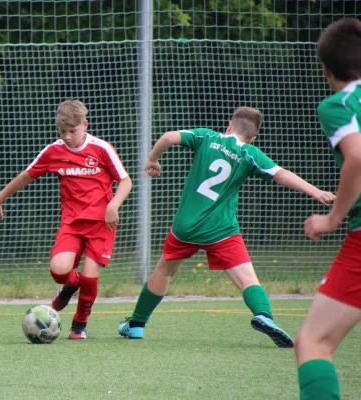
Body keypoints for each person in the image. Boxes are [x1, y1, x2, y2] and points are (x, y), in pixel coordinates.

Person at [117, 107, 334, 348]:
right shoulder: (249, 153)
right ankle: (263, 315)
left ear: (229, 125)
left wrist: (152, 160)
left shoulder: (206, 137)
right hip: (221, 230)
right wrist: (316, 191)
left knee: (165, 271)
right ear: (253, 137)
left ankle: (136, 325)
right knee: (247, 279)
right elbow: (281, 174)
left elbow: (168, 137)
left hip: (185, 227)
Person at [0, 99, 132, 340]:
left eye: (73, 131)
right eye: (62, 132)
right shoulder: (54, 151)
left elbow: (125, 181)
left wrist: (113, 205)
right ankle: (71, 285)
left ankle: (79, 325)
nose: (67, 137)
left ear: (85, 125)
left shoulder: (102, 149)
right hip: (72, 223)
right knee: (59, 270)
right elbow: (27, 175)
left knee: (90, 277)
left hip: (101, 224)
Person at [295, 18, 361, 400]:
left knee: (313, 342)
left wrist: (333, 217)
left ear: (325, 69)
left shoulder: (340, 104)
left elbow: (356, 157)